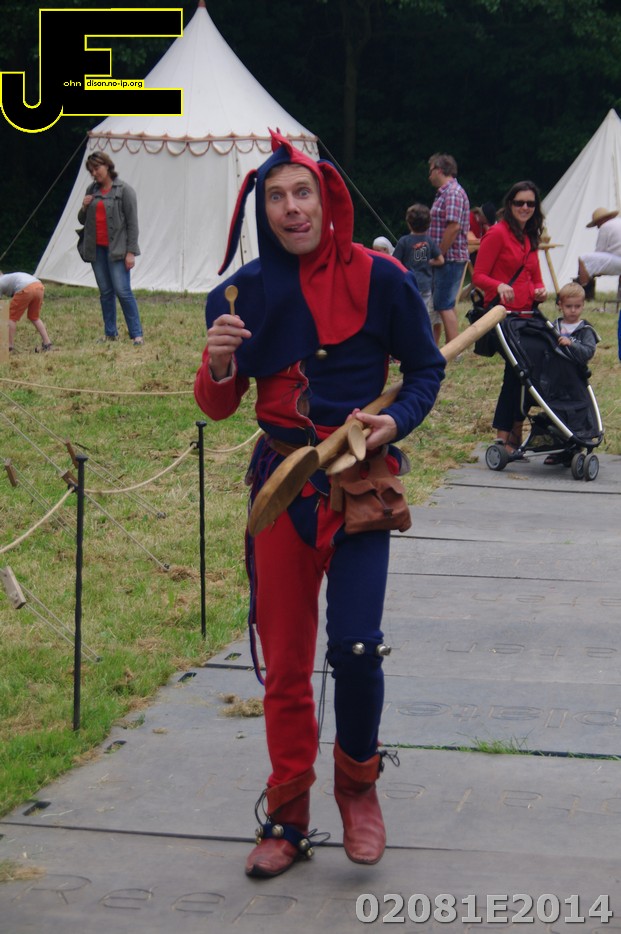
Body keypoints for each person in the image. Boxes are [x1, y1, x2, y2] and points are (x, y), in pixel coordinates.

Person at [194, 131, 445, 879]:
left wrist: (394, 423)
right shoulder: (237, 295)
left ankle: (358, 788)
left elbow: (425, 371)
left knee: (357, 649)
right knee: (284, 666)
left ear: (326, 198)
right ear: (262, 209)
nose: (291, 208)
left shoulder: (381, 277)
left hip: (361, 485)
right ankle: (288, 817)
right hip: (281, 491)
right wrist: (217, 363)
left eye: (302, 192)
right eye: (275, 197)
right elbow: (217, 405)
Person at [472, 180, 547, 455]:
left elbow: (536, 277)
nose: (525, 207)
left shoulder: (530, 237)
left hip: (528, 315)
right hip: (502, 316)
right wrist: (499, 285)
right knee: (517, 373)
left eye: (530, 203)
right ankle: (505, 437)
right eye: (519, 203)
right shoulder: (497, 234)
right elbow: (478, 275)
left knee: (531, 372)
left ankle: (516, 433)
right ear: (510, 204)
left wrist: (540, 291)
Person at [77, 151, 144, 345]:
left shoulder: (124, 191)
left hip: (118, 251)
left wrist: (131, 252)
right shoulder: (91, 189)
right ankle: (110, 333)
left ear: (107, 166)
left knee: (123, 291)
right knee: (105, 292)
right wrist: (84, 206)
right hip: (96, 249)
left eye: (96, 168)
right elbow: (82, 220)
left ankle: (137, 334)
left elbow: (133, 225)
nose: (94, 173)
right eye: (91, 171)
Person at [544, 280, 600, 464]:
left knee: (576, 414)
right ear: (560, 305)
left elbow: (588, 352)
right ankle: (557, 449)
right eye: (569, 306)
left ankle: (574, 448)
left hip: (575, 380)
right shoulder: (553, 327)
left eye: (577, 306)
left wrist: (572, 344)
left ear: (583, 305)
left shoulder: (585, 330)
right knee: (555, 413)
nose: (573, 310)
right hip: (555, 379)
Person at [428, 152, 470, 344]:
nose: (429, 176)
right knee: (445, 303)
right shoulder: (446, 193)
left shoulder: (452, 193)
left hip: (449, 257)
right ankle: (450, 347)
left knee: (443, 304)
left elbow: (453, 227)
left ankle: (454, 349)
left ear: (439, 170)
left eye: (430, 171)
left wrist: (439, 254)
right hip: (447, 257)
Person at [393, 203, 445, 343]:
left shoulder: (404, 241)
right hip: (426, 286)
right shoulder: (429, 241)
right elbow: (440, 260)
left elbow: (394, 263)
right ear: (428, 224)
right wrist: (429, 262)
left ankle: (407, 340)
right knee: (423, 315)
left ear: (409, 223)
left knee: (408, 314)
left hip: (409, 285)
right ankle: (423, 339)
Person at [577, 207, 621, 304]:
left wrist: (593, 271)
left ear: (601, 220)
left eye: (597, 224)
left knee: (583, 259)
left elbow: (599, 252)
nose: (597, 227)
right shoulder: (619, 222)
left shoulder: (605, 226)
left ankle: (584, 293)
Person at [0, 271, 52, 353]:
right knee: (34, 317)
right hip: (39, 286)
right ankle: (47, 343)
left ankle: (9, 346)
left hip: (25, 288)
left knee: (10, 317)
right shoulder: (8, 277)